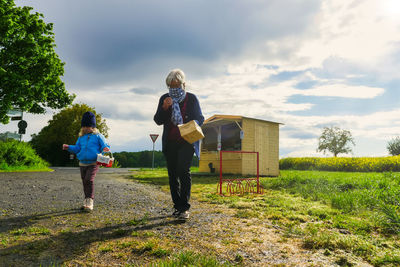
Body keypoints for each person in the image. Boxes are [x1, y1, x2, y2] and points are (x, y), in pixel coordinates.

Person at [154, 69, 204, 220]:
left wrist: (191, 124)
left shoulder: (192, 99)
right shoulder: (165, 98)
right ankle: (177, 206)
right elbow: (158, 120)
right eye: (171, 86)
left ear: (183, 84)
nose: (174, 89)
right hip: (170, 142)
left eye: (177, 85)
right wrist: (164, 108)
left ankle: (184, 208)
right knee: (172, 175)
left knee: (183, 170)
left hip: (187, 141)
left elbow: (200, 118)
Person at [62, 111, 110, 211]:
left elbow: (105, 145)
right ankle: (86, 200)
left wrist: (105, 149)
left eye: (88, 126)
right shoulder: (81, 137)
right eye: (84, 126)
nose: (85, 128)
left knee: (89, 180)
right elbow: (77, 148)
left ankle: (90, 201)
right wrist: (68, 147)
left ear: (93, 127)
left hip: (94, 162)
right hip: (82, 163)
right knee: (85, 181)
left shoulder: (98, 136)